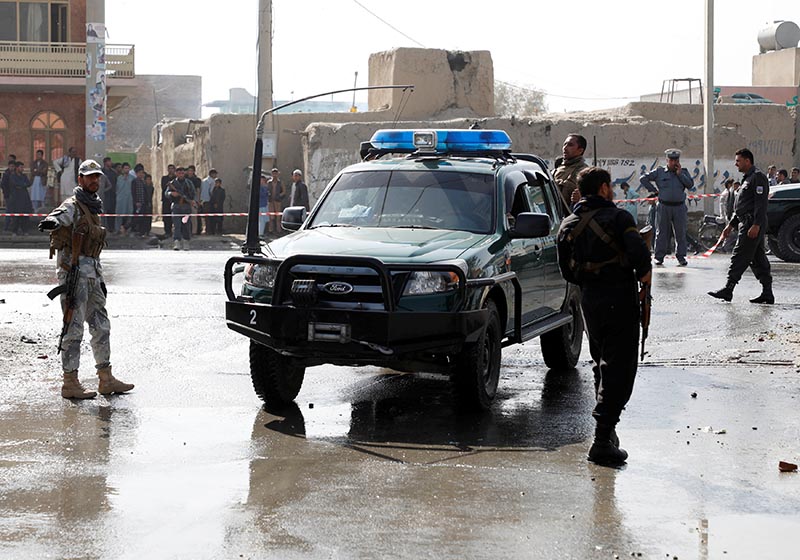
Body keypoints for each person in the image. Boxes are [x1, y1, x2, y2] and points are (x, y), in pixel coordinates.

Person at [557, 167, 651, 466]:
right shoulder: (620, 218)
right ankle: (601, 440)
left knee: (601, 363)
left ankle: (607, 435)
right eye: (609, 186)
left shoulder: (567, 225)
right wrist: (642, 282)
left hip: (589, 301)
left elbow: (567, 272)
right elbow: (640, 258)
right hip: (619, 298)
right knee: (620, 369)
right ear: (602, 188)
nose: (612, 191)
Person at [37, 159, 134, 399]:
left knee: (102, 326)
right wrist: (52, 222)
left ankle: (106, 379)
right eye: (89, 176)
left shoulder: (93, 206)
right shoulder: (73, 205)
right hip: (74, 275)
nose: (94, 180)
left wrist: (98, 277)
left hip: (93, 275)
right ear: (80, 179)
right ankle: (70, 382)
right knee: (74, 328)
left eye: (97, 176)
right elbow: (59, 216)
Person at [708, 148, 773, 304]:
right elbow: (742, 206)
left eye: (738, 161)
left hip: (752, 224)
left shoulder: (757, 177)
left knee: (740, 254)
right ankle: (767, 293)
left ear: (747, 161)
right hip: (745, 221)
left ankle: (728, 289)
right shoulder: (747, 178)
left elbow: (760, 203)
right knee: (757, 259)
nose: (735, 164)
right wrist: (730, 225)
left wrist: (756, 224)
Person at [639, 148, 694, 266]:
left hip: (679, 207)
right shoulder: (659, 172)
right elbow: (643, 179)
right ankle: (659, 257)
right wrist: (653, 190)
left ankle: (681, 257)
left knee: (680, 233)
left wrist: (680, 175)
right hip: (664, 206)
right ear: (667, 160)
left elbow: (690, 185)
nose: (674, 162)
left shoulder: (683, 171)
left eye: (676, 160)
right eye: (672, 160)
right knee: (662, 233)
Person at [553, 134, 589, 207]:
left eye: (570, 145)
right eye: (564, 144)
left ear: (580, 150)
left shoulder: (582, 171)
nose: (565, 148)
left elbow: (567, 192)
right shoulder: (557, 168)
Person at [165, 166, 195, 250]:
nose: (180, 174)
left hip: (186, 207)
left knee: (186, 225)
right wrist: (171, 193)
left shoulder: (188, 183)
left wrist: (191, 200)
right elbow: (166, 193)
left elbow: (193, 193)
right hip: (176, 206)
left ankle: (186, 242)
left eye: (182, 173)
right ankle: (177, 242)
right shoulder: (173, 183)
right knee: (176, 225)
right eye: (179, 173)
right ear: (176, 173)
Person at [9, 161, 33, 235]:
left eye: (23, 167)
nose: (22, 169)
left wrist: (22, 185)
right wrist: (22, 185)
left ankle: (25, 230)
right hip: (16, 198)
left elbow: (28, 183)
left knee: (25, 216)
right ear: (17, 168)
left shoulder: (24, 176)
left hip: (24, 198)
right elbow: (16, 184)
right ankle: (14, 231)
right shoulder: (13, 176)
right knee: (16, 216)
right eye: (21, 167)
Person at [115, 162, 133, 235]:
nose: (127, 170)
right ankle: (117, 229)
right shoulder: (119, 178)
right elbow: (117, 188)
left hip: (130, 199)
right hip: (120, 199)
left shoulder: (132, 178)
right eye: (125, 168)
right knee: (119, 215)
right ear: (122, 169)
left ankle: (128, 229)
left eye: (128, 168)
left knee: (129, 214)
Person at [198, 169, 217, 234]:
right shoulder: (212, 181)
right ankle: (209, 230)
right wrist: (214, 201)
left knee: (206, 217)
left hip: (203, 200)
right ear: (211, 174)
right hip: (209, 201)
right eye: (215, 174)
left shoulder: (203, 181)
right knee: (210, 217)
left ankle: (207, 229)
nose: (216, 175)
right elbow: (211, 192)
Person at [267, 167, 285, 235]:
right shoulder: (269, 182)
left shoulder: (280, 182)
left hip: (278, 201)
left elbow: (284, 191)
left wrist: (279, 195)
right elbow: (267, 190)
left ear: (278, 174)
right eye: (273, 173)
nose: (274, 175)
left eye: (276, 173)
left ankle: (278, 230)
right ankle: (271, 230)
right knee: (271, 216)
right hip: (270, 201)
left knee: (278, 216)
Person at [2, 155, 17, 232]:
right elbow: (3, 185)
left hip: (16, 196)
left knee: (15, 211)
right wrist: (5, 195)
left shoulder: (16, 174)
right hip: (8, 195)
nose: (12, 168)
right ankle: (6, 227)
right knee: (8, 211)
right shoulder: (6, 174)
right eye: (11, 166)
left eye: (13, 166)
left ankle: (14, 227)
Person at [131, 166, 148, 236]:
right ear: (136, 173)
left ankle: (142, 232)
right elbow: (133, 192)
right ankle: (132, 229)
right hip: (137, 203)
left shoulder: (143, 182)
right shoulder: (134, 181)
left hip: (143, 202)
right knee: (136, 218)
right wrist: (136, 202)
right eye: (139, 173)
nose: (141, 174)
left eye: (142, 173)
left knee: (143, 218)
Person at [160, 164, 176, 236]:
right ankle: (167, 231)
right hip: (166, 200)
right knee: (166, 216)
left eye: (172, 168)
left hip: (174, 200)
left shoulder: (176, 178)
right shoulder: (164, 178)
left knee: (175, 216)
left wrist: (171, 185)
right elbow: (164, 187)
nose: (171, 170)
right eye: (169, 168)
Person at [258, 173, 270, 238]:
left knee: (264, 220)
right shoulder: (259, 187)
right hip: (260, 206)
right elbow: (262, 194)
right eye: (261, 180)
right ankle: (260, 234)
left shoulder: (264, 187)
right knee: (261, 221)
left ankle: (261, 233)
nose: (262, 181)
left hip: (264, 205)